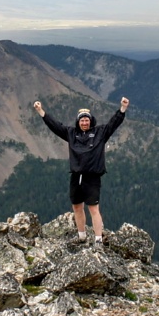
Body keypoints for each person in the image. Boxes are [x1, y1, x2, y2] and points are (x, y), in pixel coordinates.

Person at [33, 97, 130, 245]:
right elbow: (55, 126)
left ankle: (98, 240)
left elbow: (113, 123)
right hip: (76, 176)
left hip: (92, 177)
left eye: (87, 120)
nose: (84, 122)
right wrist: (41, 111)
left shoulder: (100, 133)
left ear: (91, 121)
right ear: (78, 122)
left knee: (93, 208)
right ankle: (82, 236)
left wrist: (122, 109)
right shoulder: (71, 133)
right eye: (82, 120)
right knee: (77, 206)